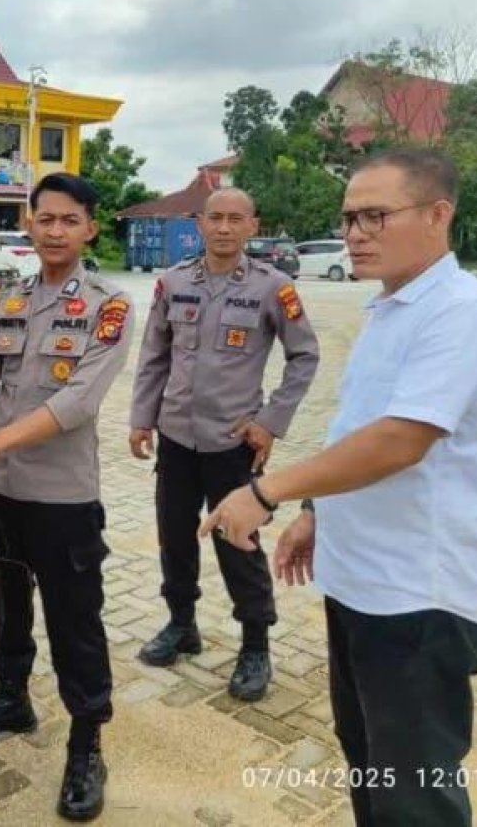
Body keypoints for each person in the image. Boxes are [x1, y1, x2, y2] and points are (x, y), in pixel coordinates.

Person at [202, 150, 477, 827]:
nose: (354, 233)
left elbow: (401, 439)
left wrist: (266, 493)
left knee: (415, 799)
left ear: (439, 216)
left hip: (417, 601)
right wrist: (318, 510)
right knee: (370, 765)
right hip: (361, 586)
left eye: (375, 215)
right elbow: (358, 427)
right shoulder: (391, 309)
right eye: (348, 217)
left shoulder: (461, 313)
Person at [0, 172, 133, 822]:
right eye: (44, 219)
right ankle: (10, 699)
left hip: (64, 497)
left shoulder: (109, 306)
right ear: (29, 223)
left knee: (76, 622)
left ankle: (85, 743)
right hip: (7, 494)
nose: (54, 231)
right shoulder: (8, 299)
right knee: (7, 606)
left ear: (89, 228)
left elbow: (76, 404)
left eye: (68, 220)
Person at [129, 189, 319, 700]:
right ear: (199, 224)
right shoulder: (172, 283)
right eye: (215, 218)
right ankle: (181, 624)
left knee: (239, 542)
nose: (225, 228)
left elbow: (305, 356)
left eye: (236, 219)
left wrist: (270, 421)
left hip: (232, 442)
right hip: (176, 438)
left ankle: (255, 643)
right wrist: (141, 419)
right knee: (174, 536)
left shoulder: (272, 288)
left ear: (252, 226)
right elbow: (154, 356)